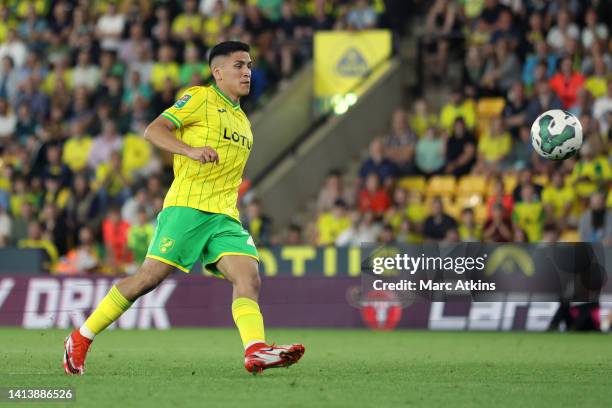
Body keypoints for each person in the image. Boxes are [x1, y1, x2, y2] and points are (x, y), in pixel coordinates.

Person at [62, 42, 304, 376]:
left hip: (224, 216)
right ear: (218, 72)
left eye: (249, 65)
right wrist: (189, 150)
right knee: (148, 279)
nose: (247, 71)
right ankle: (81, 337)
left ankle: (255, 350)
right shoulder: (201, 98)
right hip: (188, 207)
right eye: (238, 65)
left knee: (249, 277)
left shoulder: (244, 121)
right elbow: (153, 131)